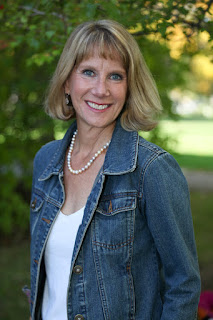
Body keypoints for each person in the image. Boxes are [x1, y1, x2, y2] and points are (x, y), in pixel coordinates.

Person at [29, 19, 201, 320]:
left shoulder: (151, 169)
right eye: (88, 72)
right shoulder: (46, 161)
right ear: (67, 82)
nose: (101, 89)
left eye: (115, 76)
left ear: (129, 87)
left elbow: (183, 284)